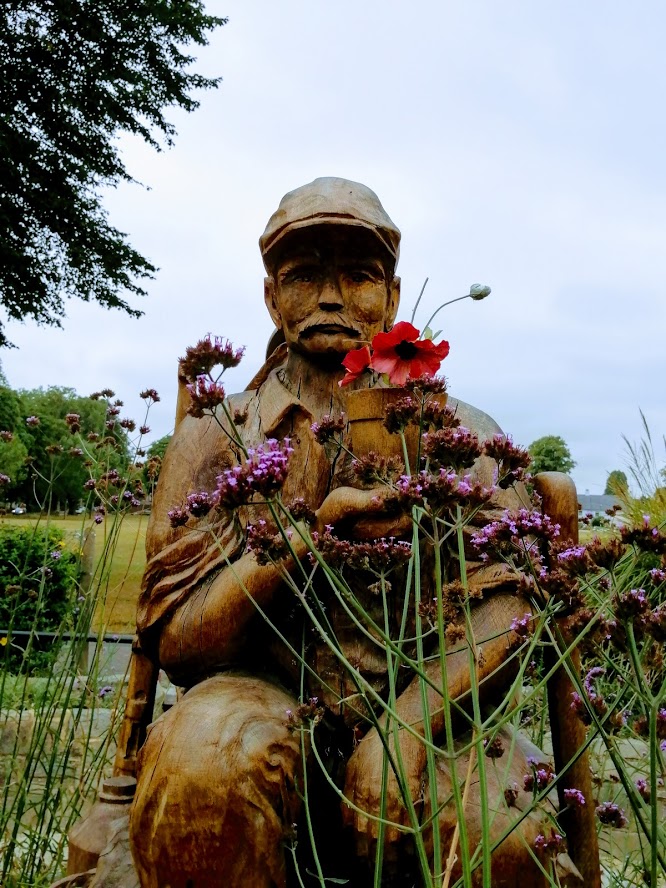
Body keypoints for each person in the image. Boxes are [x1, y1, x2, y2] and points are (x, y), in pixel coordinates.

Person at [128, 178, 550, 887]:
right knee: (201, 768)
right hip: (259, 694)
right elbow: (177, 641)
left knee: (501, 830)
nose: (330, 296)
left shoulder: (465, 437)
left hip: (433, 709)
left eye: (357, 276)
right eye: (302, 276)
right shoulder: (217, 436)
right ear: (271, 298)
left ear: (391, 296)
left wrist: (409, 725)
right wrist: (302, 541)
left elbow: (512, 602)